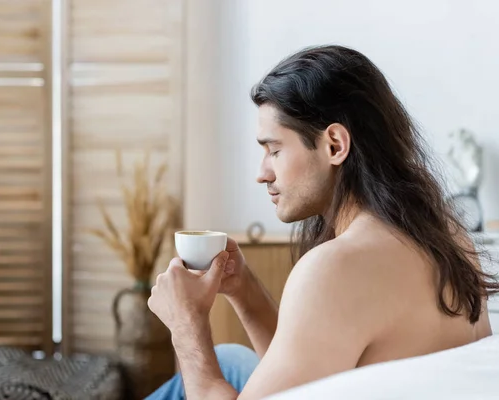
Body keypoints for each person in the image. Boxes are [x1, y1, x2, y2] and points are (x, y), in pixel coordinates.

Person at [145, 45, 499, 399]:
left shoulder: (336, 269)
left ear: (334, 145)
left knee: (211, 364)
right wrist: (245, 291)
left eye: (274, 150)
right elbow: (306, 377)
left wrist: (186, 327)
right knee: (231, 358)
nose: (262, 173)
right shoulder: (449, 233)